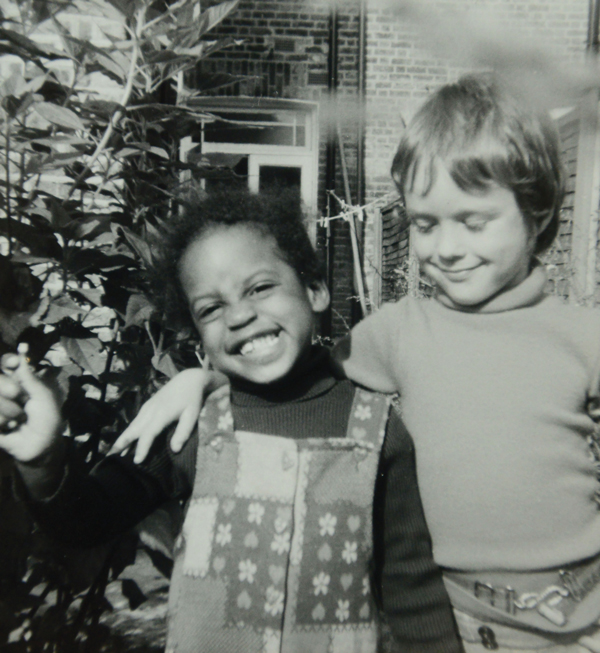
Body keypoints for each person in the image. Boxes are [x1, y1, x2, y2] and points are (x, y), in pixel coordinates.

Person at [109, 75, 600, 652]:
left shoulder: (583, 337)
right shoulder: (396, 334)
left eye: (472, 221)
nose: (444, 247)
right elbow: (291, 373)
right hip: (464, 624)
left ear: (537, 212)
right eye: (425, 223)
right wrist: (206, 377)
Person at [0, 188, 462, 653]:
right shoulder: (192, 427)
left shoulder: (379, 429)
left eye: (260, 287)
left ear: (315, 289)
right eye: (211, 308)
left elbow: (413, 589)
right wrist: (42, 457)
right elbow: (86, 519)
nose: (240, 314)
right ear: (197, 332)